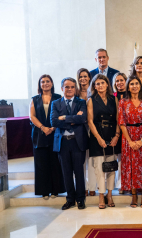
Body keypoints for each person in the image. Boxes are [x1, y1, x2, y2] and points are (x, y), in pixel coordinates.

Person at [51, 77, 89, 210]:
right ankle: (70, 199)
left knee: (79, 172)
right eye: (67, 87)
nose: (69, 89)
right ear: (62, 88)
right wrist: (74, 119)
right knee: (66, 173)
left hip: (77, 142)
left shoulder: (81, 102)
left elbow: (82, 118)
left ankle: (80, 199)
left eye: (72, 87)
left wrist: (65, 118)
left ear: (75, 88)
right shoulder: (55, 103)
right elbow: (54, 122)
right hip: (63, 143)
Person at [118, 76, 142, 208]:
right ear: (128, 86)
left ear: (140, 86)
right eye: (132, 84)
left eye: (137, 84)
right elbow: (121, 122)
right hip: (128, 136)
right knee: (131, 166)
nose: (134, 86)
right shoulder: (122, 102)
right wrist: (130, 141)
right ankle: (134, 195)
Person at [87, 74, 121, 209]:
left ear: (107, 84)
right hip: (97, 136)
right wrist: (99, 139)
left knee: (111, 167)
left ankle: (110, 194)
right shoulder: (91, 100)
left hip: (112, 135)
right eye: (97, 84)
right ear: (94, 86)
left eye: (102, 83)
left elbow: (119, 119)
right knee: (100, 168)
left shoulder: (114, 99)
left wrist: (117, 136)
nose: (100, 86)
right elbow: (90, 121)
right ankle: (101, 195)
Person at [29, 74, 65, 200]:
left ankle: (56, 189)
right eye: (42, 82)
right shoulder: (34, 99)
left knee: (55, 163)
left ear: (52, 83)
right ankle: (44, 191)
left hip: (55, 133)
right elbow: (32, 116)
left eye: (47, 81)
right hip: (40, 134)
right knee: (41, 163)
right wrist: (43, 127)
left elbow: (62, 114)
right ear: (40, 84)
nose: (45, 83)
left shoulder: (58, 97)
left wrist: (53, 127)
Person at [77, 68, 97, 197]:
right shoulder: (76, 92)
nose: (83, 79)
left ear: (89, 78)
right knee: (81, 160)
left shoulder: (94, 92)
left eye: (85, 76)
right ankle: (82, 186)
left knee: (92, 160)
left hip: (93, 127)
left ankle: (92, 186)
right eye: (80, 77)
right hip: (80, 129)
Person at [112, 72, 127, 193]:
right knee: (119, 158)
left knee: (128, 157)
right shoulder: (112, 96)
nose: (119, 83)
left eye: (121, 80)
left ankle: (129, 183)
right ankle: (121, 183)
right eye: (117, 81)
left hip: (129, 129)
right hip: (116, 130)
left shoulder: (131, 95)